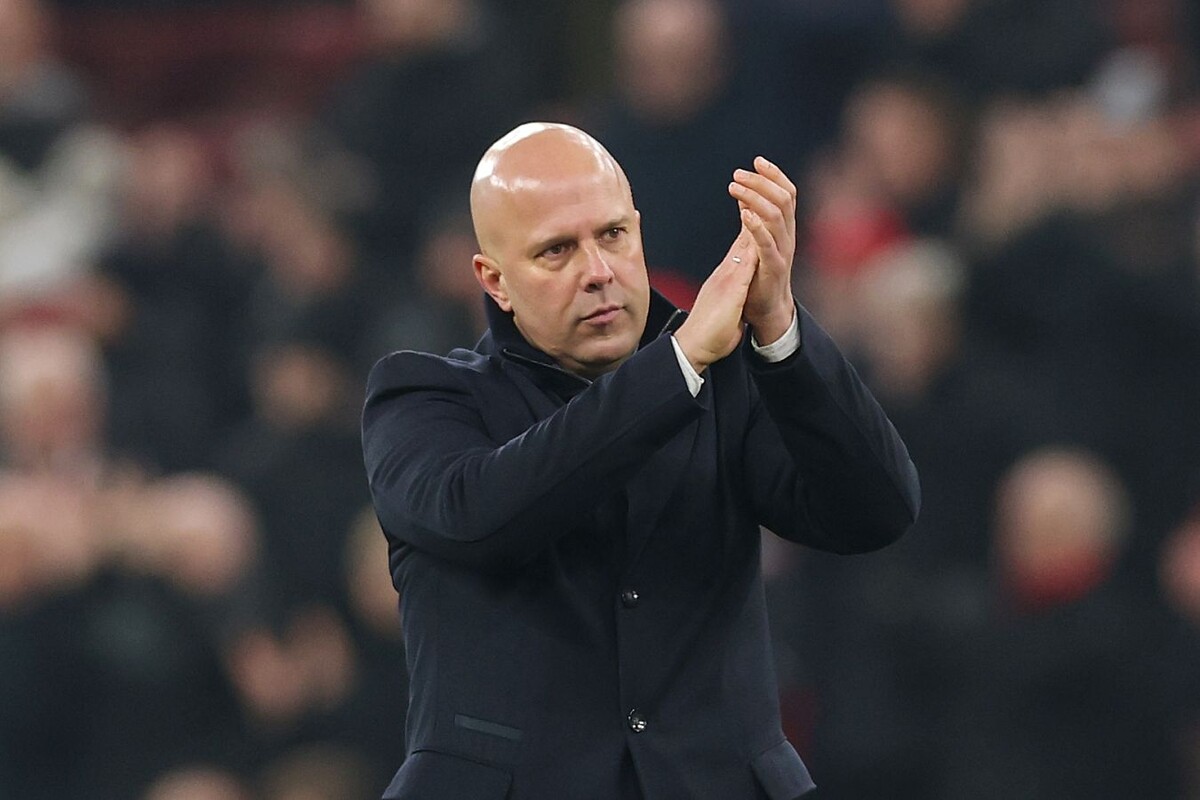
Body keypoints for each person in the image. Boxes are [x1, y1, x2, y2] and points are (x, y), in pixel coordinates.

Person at [360, 122, 920, 799]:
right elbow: (485, 515)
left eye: (613, 235)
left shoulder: (725, 379)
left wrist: (779, 329)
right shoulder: (422, 398)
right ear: (495, 280)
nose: (598, 271)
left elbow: (876, 511)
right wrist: (677, 364)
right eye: (557, 250)